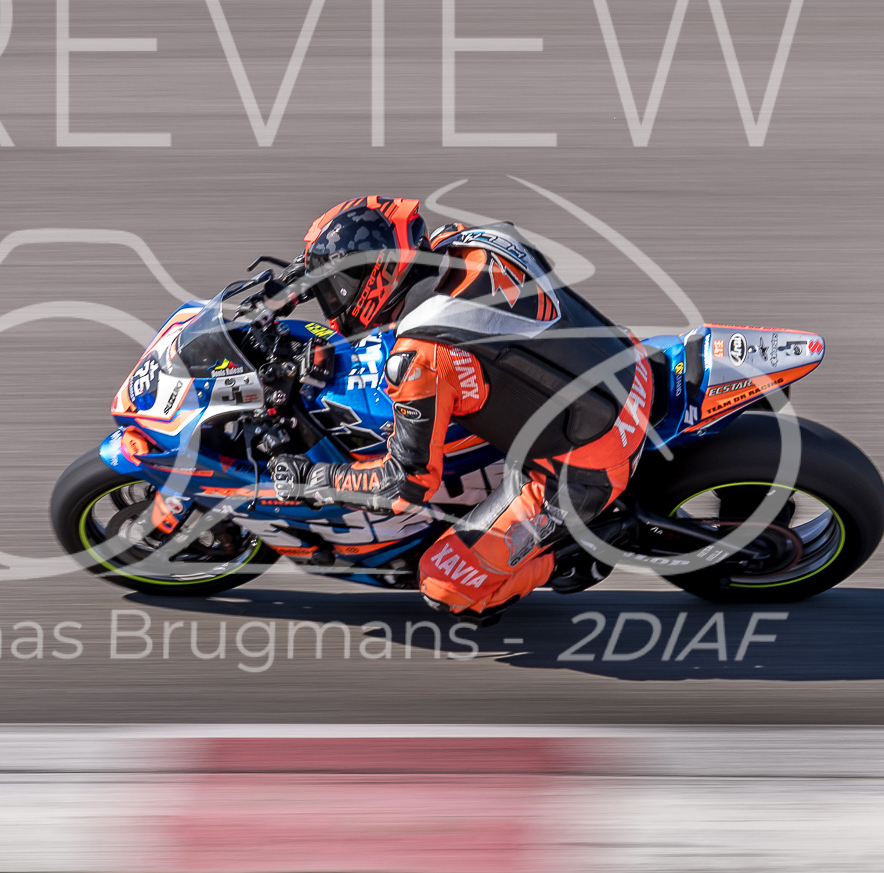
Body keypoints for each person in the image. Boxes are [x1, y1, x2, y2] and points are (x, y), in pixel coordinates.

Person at [268, 196, 654, 622]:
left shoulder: (422, 356)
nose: (330, 301)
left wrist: (315, 479)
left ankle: (577, 554)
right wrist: (299, 283)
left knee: (444, 583)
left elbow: (403, 486)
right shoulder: (468, 239)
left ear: (374, 280)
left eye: (334, 289)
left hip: (589, 458)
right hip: (628, 361)